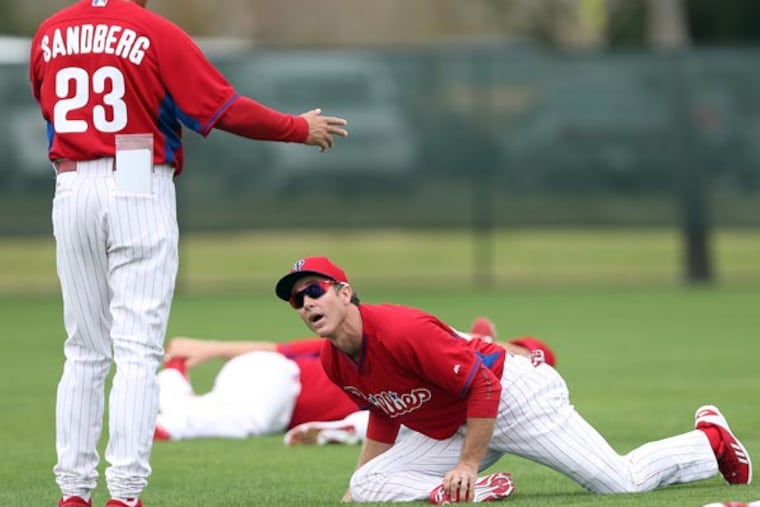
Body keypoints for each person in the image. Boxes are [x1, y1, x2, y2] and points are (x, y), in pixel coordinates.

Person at [29, 2, 348, 506]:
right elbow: (222, 108)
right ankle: (126, 494)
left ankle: (73, 493)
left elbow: (47, 106)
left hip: (70, 186)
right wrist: (295, 127)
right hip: (136, 179)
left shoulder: (49, 31)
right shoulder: (153, 30)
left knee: (84, 350)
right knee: (137, 351)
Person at [274, 256, 753, 504]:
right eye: (297, 300)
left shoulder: (401, 330)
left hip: (514, 396)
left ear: (344, 292)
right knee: (367, 485)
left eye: (314, 290)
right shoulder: (334, 360)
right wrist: (357, 482)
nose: (307, 304)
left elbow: (484, 385)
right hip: (459, 421)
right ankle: (471, 493)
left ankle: (706, 440)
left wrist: (466, 464)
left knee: (619, 485)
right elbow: (383, 411)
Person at [153, 317, 556, 446]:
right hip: (279, 381)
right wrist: (212, 346)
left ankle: (170, 377)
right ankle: (163, 426)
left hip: (270, 388)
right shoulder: (432, 341)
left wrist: (199, 352)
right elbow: (282, 351)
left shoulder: (450, 376)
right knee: (244, 421)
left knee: (201, 405)